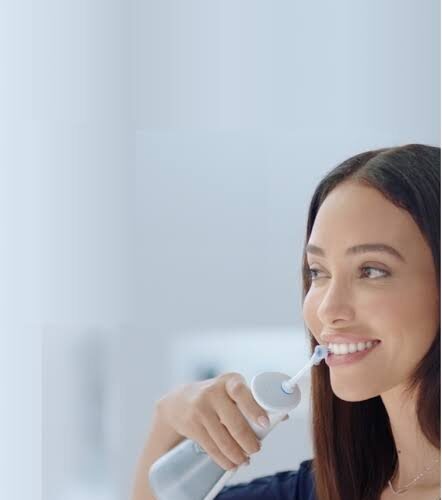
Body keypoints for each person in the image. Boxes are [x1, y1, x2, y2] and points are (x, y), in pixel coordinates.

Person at [131, 144, 441, 500]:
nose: (327, 308)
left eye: (370, 270)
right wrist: (169, 418)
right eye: (318, 272)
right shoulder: (317, 490)